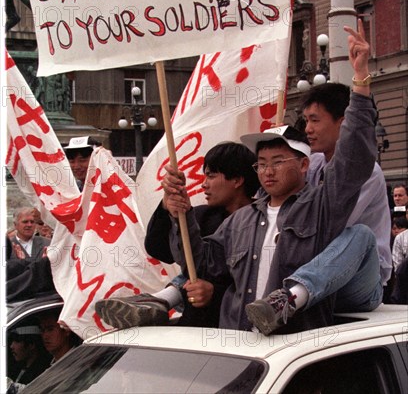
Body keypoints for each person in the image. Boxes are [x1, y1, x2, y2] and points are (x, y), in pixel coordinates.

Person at [165, 22, 381, 335]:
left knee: (360, 234)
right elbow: (202, 263)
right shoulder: (241, 221)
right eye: (262, 163)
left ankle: (289, 300)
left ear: (304, 165)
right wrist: (180, 215)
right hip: (240, 342)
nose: (267, 170)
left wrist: (360, 83)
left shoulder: (322, 205)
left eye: (278, 161)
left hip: (293, 348)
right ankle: (162, 299)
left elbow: (353, 160)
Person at [95, 142, 260, 329]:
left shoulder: (263, 223)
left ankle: (163, 300)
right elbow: (159, 249)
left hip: (236, 330)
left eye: (211, 176)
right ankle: (159, 301)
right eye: (204, 175)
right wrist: (169, 206)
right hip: (194, 326)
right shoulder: (201, 216)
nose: (204, 184)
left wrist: (215, 293)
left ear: (237, 180)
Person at [300, 81, 392, 289]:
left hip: (363, 275)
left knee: (357, 234)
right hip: (320, 271)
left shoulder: (366, 173)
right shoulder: (312, 164)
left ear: (343, 123)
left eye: (315, 120)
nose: (308, 129)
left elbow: (331, 225)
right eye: (305, 121)